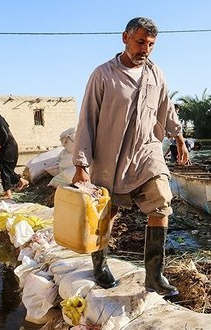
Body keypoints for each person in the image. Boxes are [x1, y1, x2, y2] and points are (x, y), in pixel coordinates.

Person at [72, 17, 189, 299]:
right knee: (107, 212)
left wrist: (179, 137)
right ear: (125, 38)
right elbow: (87, 119)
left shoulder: (156, 74)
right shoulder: (103, 75)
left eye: (150, 44)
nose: (145, 49)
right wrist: (81, 164)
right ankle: (100, 264)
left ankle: (154, 276)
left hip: (146, 153)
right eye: (140, 42)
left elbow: (166, 107)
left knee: (161, 202)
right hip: (110, 157)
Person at [0, 105, 28, 199]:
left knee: (4, 170)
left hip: (9, 148)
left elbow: (4, 135)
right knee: (4, 168)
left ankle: (9, 192)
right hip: (7, 148)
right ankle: (19, 182)